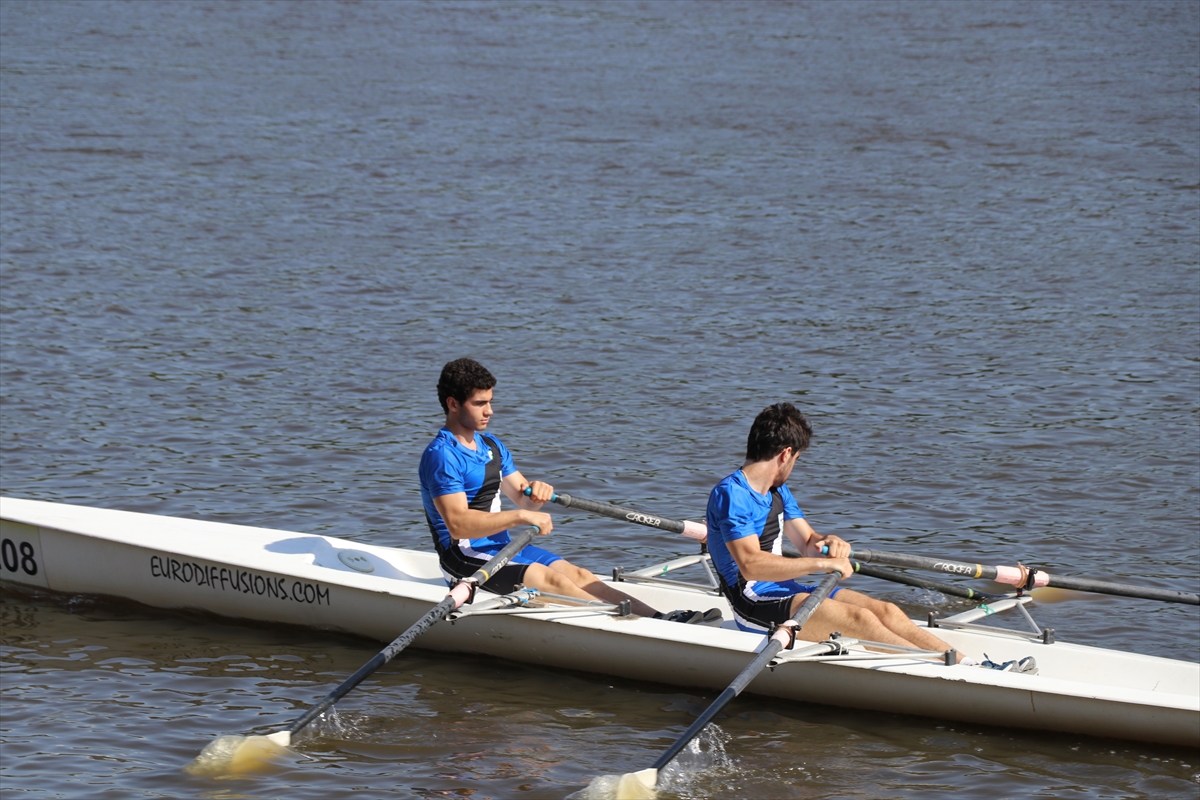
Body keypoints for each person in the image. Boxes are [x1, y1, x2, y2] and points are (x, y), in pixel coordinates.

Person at [706, 402, 1033, 672]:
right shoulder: (732, 495)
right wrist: (822, 565)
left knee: (887, 611)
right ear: (785, 454)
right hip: (752, 602)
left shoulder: (778, 490)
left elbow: (807, 543)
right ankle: (956, 675)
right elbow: (751, 565)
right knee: (860, 619)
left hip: (785, 592)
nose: (794, 466)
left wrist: (829, 543)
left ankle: (972, 665)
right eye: (797, 459)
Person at [419, 358, 716, 624]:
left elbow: (525, 500)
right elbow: (458, 525)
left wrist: (536, 493)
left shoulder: (491, 446)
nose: (490, 411)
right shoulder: (442, 455)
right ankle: (643, 629)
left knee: (580, 575)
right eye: (480, 403)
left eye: (490, 401)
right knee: (551, 580)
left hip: (500, 548)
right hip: (464, 558)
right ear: (453, 404)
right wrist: (520, 516)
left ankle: (661, 619)